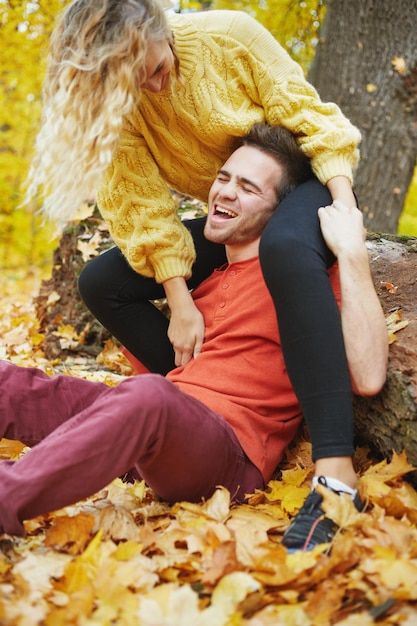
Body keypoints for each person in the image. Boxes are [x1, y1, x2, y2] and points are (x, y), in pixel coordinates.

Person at [25, 0, 365, 547]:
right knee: (100, 282)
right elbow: (143, 208)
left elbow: (315, 122)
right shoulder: (123, 105)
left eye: (158, 70)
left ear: (164, 31)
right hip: (235, 205)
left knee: (282, 248)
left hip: (306, 182)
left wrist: (343, 209)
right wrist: (180, 304)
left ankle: (335, 475)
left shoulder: (231, 36)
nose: (154, 88)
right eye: (136, 84)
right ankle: (189, 410)